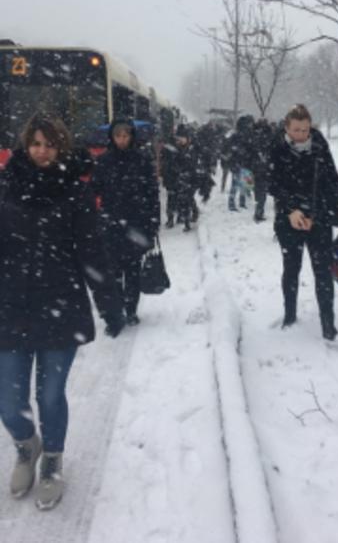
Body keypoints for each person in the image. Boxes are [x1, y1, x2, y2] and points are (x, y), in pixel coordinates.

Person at [0, 114, 124, 510]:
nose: (41, 150)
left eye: (49, 144)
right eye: (36, 143)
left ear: (60, 148)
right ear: (26, 144)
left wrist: (110, 303)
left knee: (50, 395)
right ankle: (26, 445)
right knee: (8, 398)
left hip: (60, 305)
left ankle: (52, 460)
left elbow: (92, 251)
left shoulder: (75, 192)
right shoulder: (6, 185)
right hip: (11, 305)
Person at [269, 104, 338, 340]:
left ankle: (328, 324)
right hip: (289, 222)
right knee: (291, 269)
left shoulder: (318, 145)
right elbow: (272, 183)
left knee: (323, 272)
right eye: (296, 130)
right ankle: (289, 314)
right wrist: (290, 210)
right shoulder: (276, 147)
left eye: (305, 130)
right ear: (287, 127)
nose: (301, 135)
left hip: (319, 218)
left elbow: (332, 178)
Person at [91, 117, 161, 326]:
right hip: (110, 224)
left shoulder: (142, 159)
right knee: (112, 272)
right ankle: (115, 312)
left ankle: (130, 310)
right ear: (112, 137)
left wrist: (153, 221)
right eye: (118, 136)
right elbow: (94, 189)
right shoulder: (103, 161)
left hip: (136, 224)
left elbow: (151, 193)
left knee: (132, 271)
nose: (122, 140)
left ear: (131, 136)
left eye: (125, 135)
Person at [161, 124, 200, 232]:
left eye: (183, 138)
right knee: (172, 199)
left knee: (186, 200)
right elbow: (165, 163)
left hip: (186, 179)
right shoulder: (170, 147)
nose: (180, 140)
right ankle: (171, 219)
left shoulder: (190, 148)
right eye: (179, 138)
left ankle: (187, 219)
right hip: (172, 178)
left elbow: (192, 164)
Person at [250, 118, 275, 222]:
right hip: (263, 169)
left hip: (256, 168)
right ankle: (259, 213)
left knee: (258, 190)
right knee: (262, 192)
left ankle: (258, 210)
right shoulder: (268, 137)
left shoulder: (254, 136)